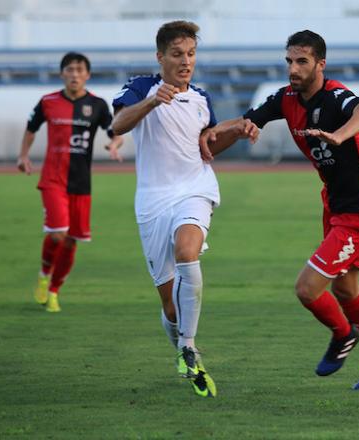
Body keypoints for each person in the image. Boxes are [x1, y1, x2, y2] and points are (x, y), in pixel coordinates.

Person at [202, 30, 359, 390]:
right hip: (336, 207)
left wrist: (340, 135)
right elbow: (249, 120)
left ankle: (343, 335)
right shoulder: (286, 98)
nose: (293, 68)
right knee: (346, 288)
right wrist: (219, 135)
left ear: (320, 64)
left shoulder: (336, 97)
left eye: (302, 61)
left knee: (308, 289)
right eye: (289, 60)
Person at [111, 20, 258, 398]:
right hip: (152, 201)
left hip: (195, 189)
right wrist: (150, 101)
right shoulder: (142, 86)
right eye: (177, 54)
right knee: (170, 305)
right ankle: (182, 345)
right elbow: (117, 125)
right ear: (160, 56)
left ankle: (189, 348)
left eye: (191, 54)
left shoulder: (202, 98)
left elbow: (206, 148)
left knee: (187, 251)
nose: (185, 61)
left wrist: (233, 131)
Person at [18, 51, 124, 313]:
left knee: (71, 240)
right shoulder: (48, 101)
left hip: (80, 183)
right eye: (69, 70)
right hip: (53, 179)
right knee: (58, 234)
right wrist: (23, 156)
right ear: (62, 74)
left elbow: (117, 130)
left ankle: (53, 290)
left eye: (79, 70)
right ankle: (44, 274)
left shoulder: (98, 105)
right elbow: (31, 129)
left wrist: (114, 143)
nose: (74, 74)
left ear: (87, 75)